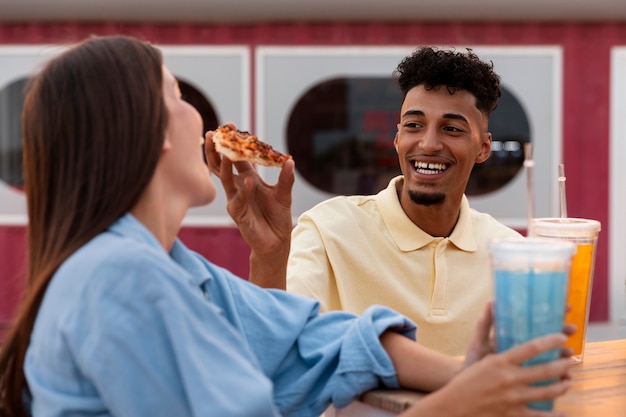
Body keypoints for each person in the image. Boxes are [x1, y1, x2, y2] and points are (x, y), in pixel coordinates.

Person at [0, 35, 573, 417]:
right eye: (177, 94)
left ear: (481, 147)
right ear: (153, 132)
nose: (200, 112)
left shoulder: (174, 267)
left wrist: (466, 374)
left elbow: (308, 337)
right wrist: (457, 400)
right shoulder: (118, 279)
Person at [282, 46, 522, 356]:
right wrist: (270, 253)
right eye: (414, 125)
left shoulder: (510, 253)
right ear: (397, 139)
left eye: (451, 129)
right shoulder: (327, 229)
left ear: (483, 147)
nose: (429, 143)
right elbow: (283, 340)